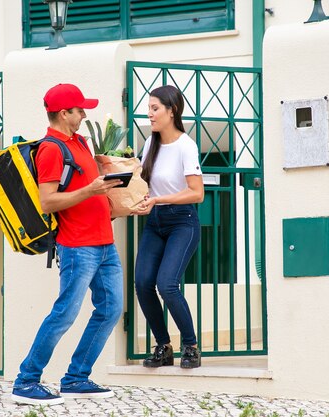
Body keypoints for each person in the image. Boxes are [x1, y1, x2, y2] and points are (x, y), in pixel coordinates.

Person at [11, 83, 124, 406]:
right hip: (78, 247)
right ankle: (26, 381)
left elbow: (94, 194)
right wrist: (91, 190)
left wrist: (126, 206)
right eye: (79, 109)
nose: (84, 114)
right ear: (64, 113)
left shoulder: (81, 143)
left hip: (105, 244)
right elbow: (47, 202)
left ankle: (76, 378)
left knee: (110, 309)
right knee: (64, 314)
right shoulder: (51, 149)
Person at [132, 85, 205, 369]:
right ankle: (163, 346)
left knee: (167, 285)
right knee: (142, 283)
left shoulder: (186, 146)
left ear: (171, 111)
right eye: (148, 108)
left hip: (182, 221)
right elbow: (140, 183)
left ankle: (191, 347)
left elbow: (196, 193)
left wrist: (159, 199)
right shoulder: (151, 144)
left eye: (154, 108)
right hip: (155, 221)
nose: (149, 114)